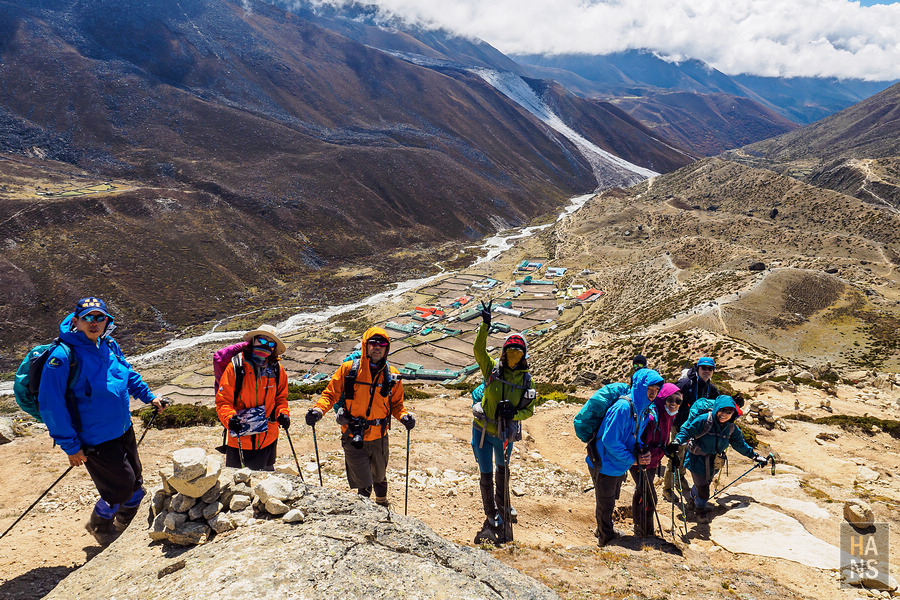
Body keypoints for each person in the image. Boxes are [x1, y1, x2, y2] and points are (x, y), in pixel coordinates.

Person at [38, 297, 167, 545]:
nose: (94, 322)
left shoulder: (108, 343)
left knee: (135, 480)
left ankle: (122, 524)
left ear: (107, 321)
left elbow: (127, 374)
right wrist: (71, 446)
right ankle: (99, 525)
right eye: (87, 317)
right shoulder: (62, 356)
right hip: (95, 437)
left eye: (100, 317)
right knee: (119, 488)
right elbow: (51, 406)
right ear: (76, 321)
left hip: (122, 428)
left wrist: (149, 397)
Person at [305, 327, 413, 507]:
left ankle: (382, 505)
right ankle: (366, 513)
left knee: (379, 476)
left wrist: (404, 417)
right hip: (352, 432)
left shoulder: (392, 375)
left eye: (382, 344)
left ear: (387, 348)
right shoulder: (349, 369)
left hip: (379, 435)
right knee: (363, 481)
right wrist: (318, 411)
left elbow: (397, 405)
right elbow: (330, 394)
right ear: (365, 346)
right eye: (373, 343)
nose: (377, 347)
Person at [471, 300, 537, 545]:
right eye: (510, 352)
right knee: (487, 473)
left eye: (517, 353)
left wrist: (513, 416)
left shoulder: (526, 381)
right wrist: (484, 326)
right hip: (482, 432)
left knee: (502, 473)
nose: (513, 356)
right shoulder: (492, 370)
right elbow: (479, 351)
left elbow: (529, 410)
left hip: (504, 435)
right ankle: (492, 514)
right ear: (504, 352)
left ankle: (503, 507)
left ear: (523, 356)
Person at [587, 368, 664, 546]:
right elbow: (610, 440)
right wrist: (633, 460)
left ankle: (604, 530)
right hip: (605, 463)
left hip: (617, 464)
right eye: (650, 389)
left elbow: (631, 436)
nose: (653, 394)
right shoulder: (622, 408)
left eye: (656, 391)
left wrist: (638, 450)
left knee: (611, 499)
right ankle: (606, 540)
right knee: (605, 503)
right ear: (640, 387)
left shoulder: (643, 409)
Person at [669, 395, 767, 523]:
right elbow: (687, 431)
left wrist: (754, 456)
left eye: (729, 412)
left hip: (714, 461)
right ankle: (700, 511)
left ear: (733, 413)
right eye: (722, 410)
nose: (724, 414)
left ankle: (692, 502)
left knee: (705, 483)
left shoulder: (731, 428)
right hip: (697, 459)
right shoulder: (704, 420)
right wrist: (677, 441)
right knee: (703, 489)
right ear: (716, 409)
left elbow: (740, 445)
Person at [215, 324, 290, 471]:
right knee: (238, 485)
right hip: (239, 440)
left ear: (274, 349)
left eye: (270, 344)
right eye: (262, 341)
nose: (265, 346)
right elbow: (223, 401)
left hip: (268, 438)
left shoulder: (277, 369)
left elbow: (281, 398)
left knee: (266, 480)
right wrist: (229, 419)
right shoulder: (236, 367)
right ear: (253, 341)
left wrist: (283, 414)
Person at [663, 357, 719, 502]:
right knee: (675, 455)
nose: (707, 371)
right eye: (704, 368)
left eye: (710, 369)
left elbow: (720, 404)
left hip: (697, 429)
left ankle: (680, 478)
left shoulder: (711, 388)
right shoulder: (686, 384)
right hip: (680, 426)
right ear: (698, 368)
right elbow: (669, 397)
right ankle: (667, 489)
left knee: (685, 454)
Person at [629, 383, 681, 537]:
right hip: (641, 462)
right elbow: (643, 442)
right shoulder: (651, 417)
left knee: (642, 492)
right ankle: (645, 531)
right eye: (670, 399)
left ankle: (642, 528)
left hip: (652, 462)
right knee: (649, 496)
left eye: (678, 401)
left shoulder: (668, 415)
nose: (673, 404)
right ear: (662, 398)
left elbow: (661, 440)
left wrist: (668, 450)